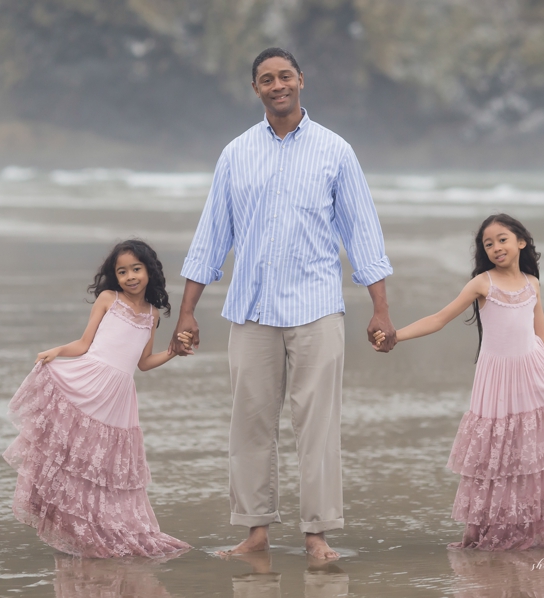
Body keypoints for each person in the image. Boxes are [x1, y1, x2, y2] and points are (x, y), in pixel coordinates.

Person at [174, 47, 396, 561]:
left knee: (317, 426)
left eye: (285, 76)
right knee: (250, 425)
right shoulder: (235, 154)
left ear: (301, 80)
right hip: (251, 310)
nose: (277, 85)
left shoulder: (335, 150)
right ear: (255, 88)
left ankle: (318, 534)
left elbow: (363, 232)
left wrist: (380, 309)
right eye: (267, 79)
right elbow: (212, 236)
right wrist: (187, 310)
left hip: (317, 307)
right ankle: (255, 533)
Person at [376, 214, 544, 549]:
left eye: (502, 239)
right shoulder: (482, 283)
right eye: (488, 244)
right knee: (497, 457)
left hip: (532, 373)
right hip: (496, 380)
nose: (495, 247)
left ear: (521, 241)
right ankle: (492, 530)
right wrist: (395, 336)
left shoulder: (532, 284)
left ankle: (529, 528)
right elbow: (439, 319)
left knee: (529, 455)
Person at [6, 239, 190, 558]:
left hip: (118, 397)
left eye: (136, 269)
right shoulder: (109, 299)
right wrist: (58, 351)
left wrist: (173, 352)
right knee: (74, 457)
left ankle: (100, 528)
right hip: (90, 381)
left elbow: (144, 363)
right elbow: (84, 343)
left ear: (149, 271)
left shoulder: (152, 315)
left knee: (103, 466)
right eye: (122, 271)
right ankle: (70, 524)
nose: (130, 276)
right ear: (114, 276)